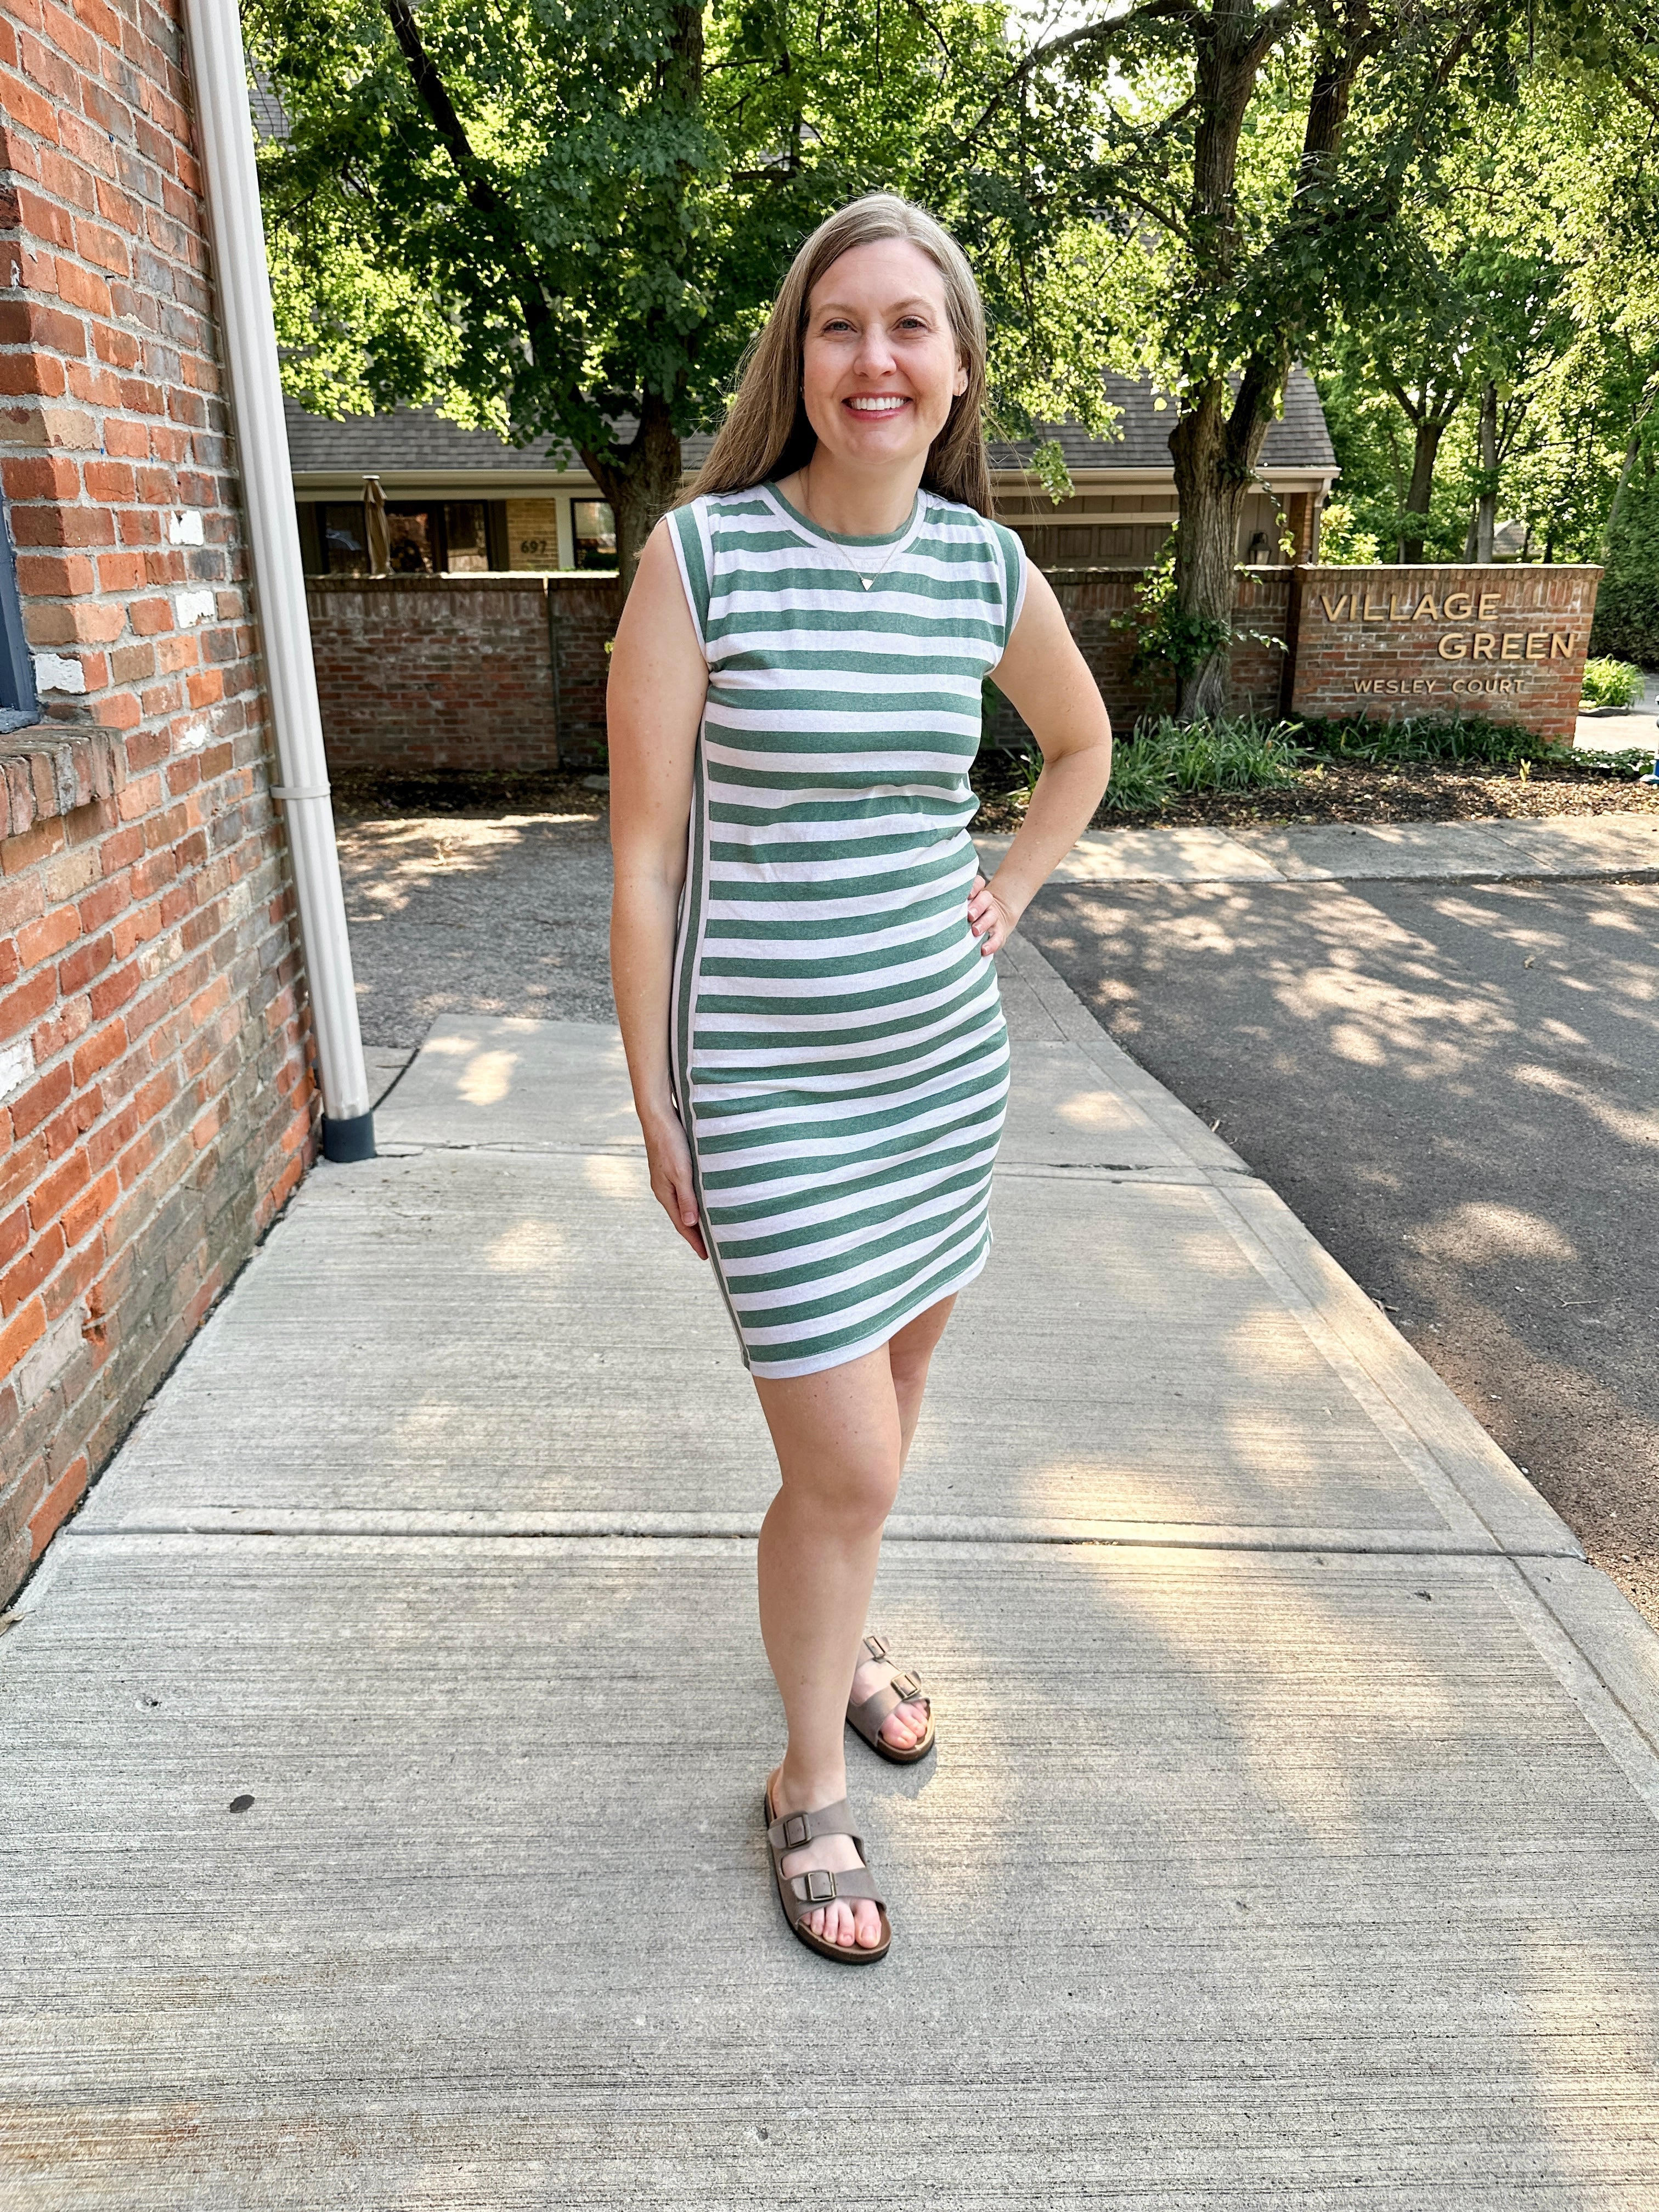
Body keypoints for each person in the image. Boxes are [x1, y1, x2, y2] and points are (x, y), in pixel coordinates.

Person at [607, 193, 1113, 1962]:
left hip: (938, 1083)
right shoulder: (703, 558)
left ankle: (845, 1638)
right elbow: (649, 858)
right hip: (767, 1091)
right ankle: (804, 1783)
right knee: (845, 1472)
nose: (874, 359)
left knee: (874, 1457)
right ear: (798, 358)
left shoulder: (985, 570)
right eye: (841, 327)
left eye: (910, 327)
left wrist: (1018, 885)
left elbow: (1083, 743)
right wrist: (657, 1098)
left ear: (957, 368)